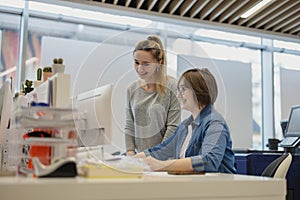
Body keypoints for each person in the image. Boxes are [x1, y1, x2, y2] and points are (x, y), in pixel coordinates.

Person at [135, 68, 237, 173]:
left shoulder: (215, 124)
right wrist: (129, 160)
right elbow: (161, 150)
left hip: (219, 187)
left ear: (199, 90)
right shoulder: (185, 126)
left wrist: (163, 165)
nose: (179, 95)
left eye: (183, 89)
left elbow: (208, 161)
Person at [125, 35, 181, 156]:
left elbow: (173, 127)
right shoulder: (132, 89)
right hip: (140, 159)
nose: (140, 68)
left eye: (146, 64)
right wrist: (130, 153)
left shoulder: (172, 86)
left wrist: (153, 155)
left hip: (164, 158)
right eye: (136, 62)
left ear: (159, 63)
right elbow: (130, 124)